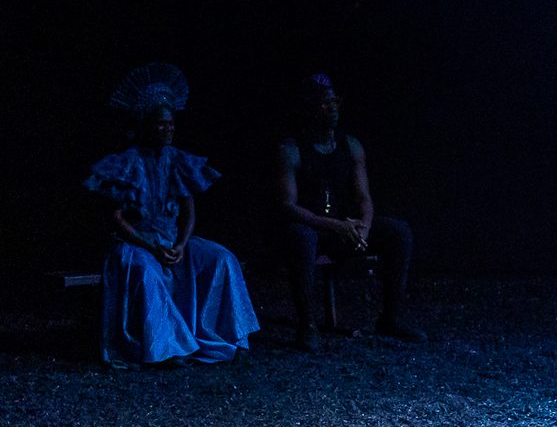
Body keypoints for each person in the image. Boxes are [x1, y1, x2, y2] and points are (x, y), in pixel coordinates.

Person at [84, 63, 260, 368]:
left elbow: (189, 211)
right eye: (161, 124)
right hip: (136, 243)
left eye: (171, 124)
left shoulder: (179, 160)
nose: (168, 129)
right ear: (146, 125)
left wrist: (180, 244)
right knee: (146, 271)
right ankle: (167, 346)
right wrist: (151, 246)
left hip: (171, 241)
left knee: (221, 258)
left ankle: (229, 334)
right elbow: (117, 218)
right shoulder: (125, 163)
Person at [277, 73, 423, 348]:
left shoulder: (351, 146)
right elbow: (287, 206)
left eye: (334, 101)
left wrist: (363, 229)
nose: (331, 107)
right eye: (323, 102)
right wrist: (333, 226)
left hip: (344, 230)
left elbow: (364, 198)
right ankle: (307, 324)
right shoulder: (291, 150)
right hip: (315, 230)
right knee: (301, 236)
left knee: (398, 232)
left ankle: (390, 317)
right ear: (309, 107)